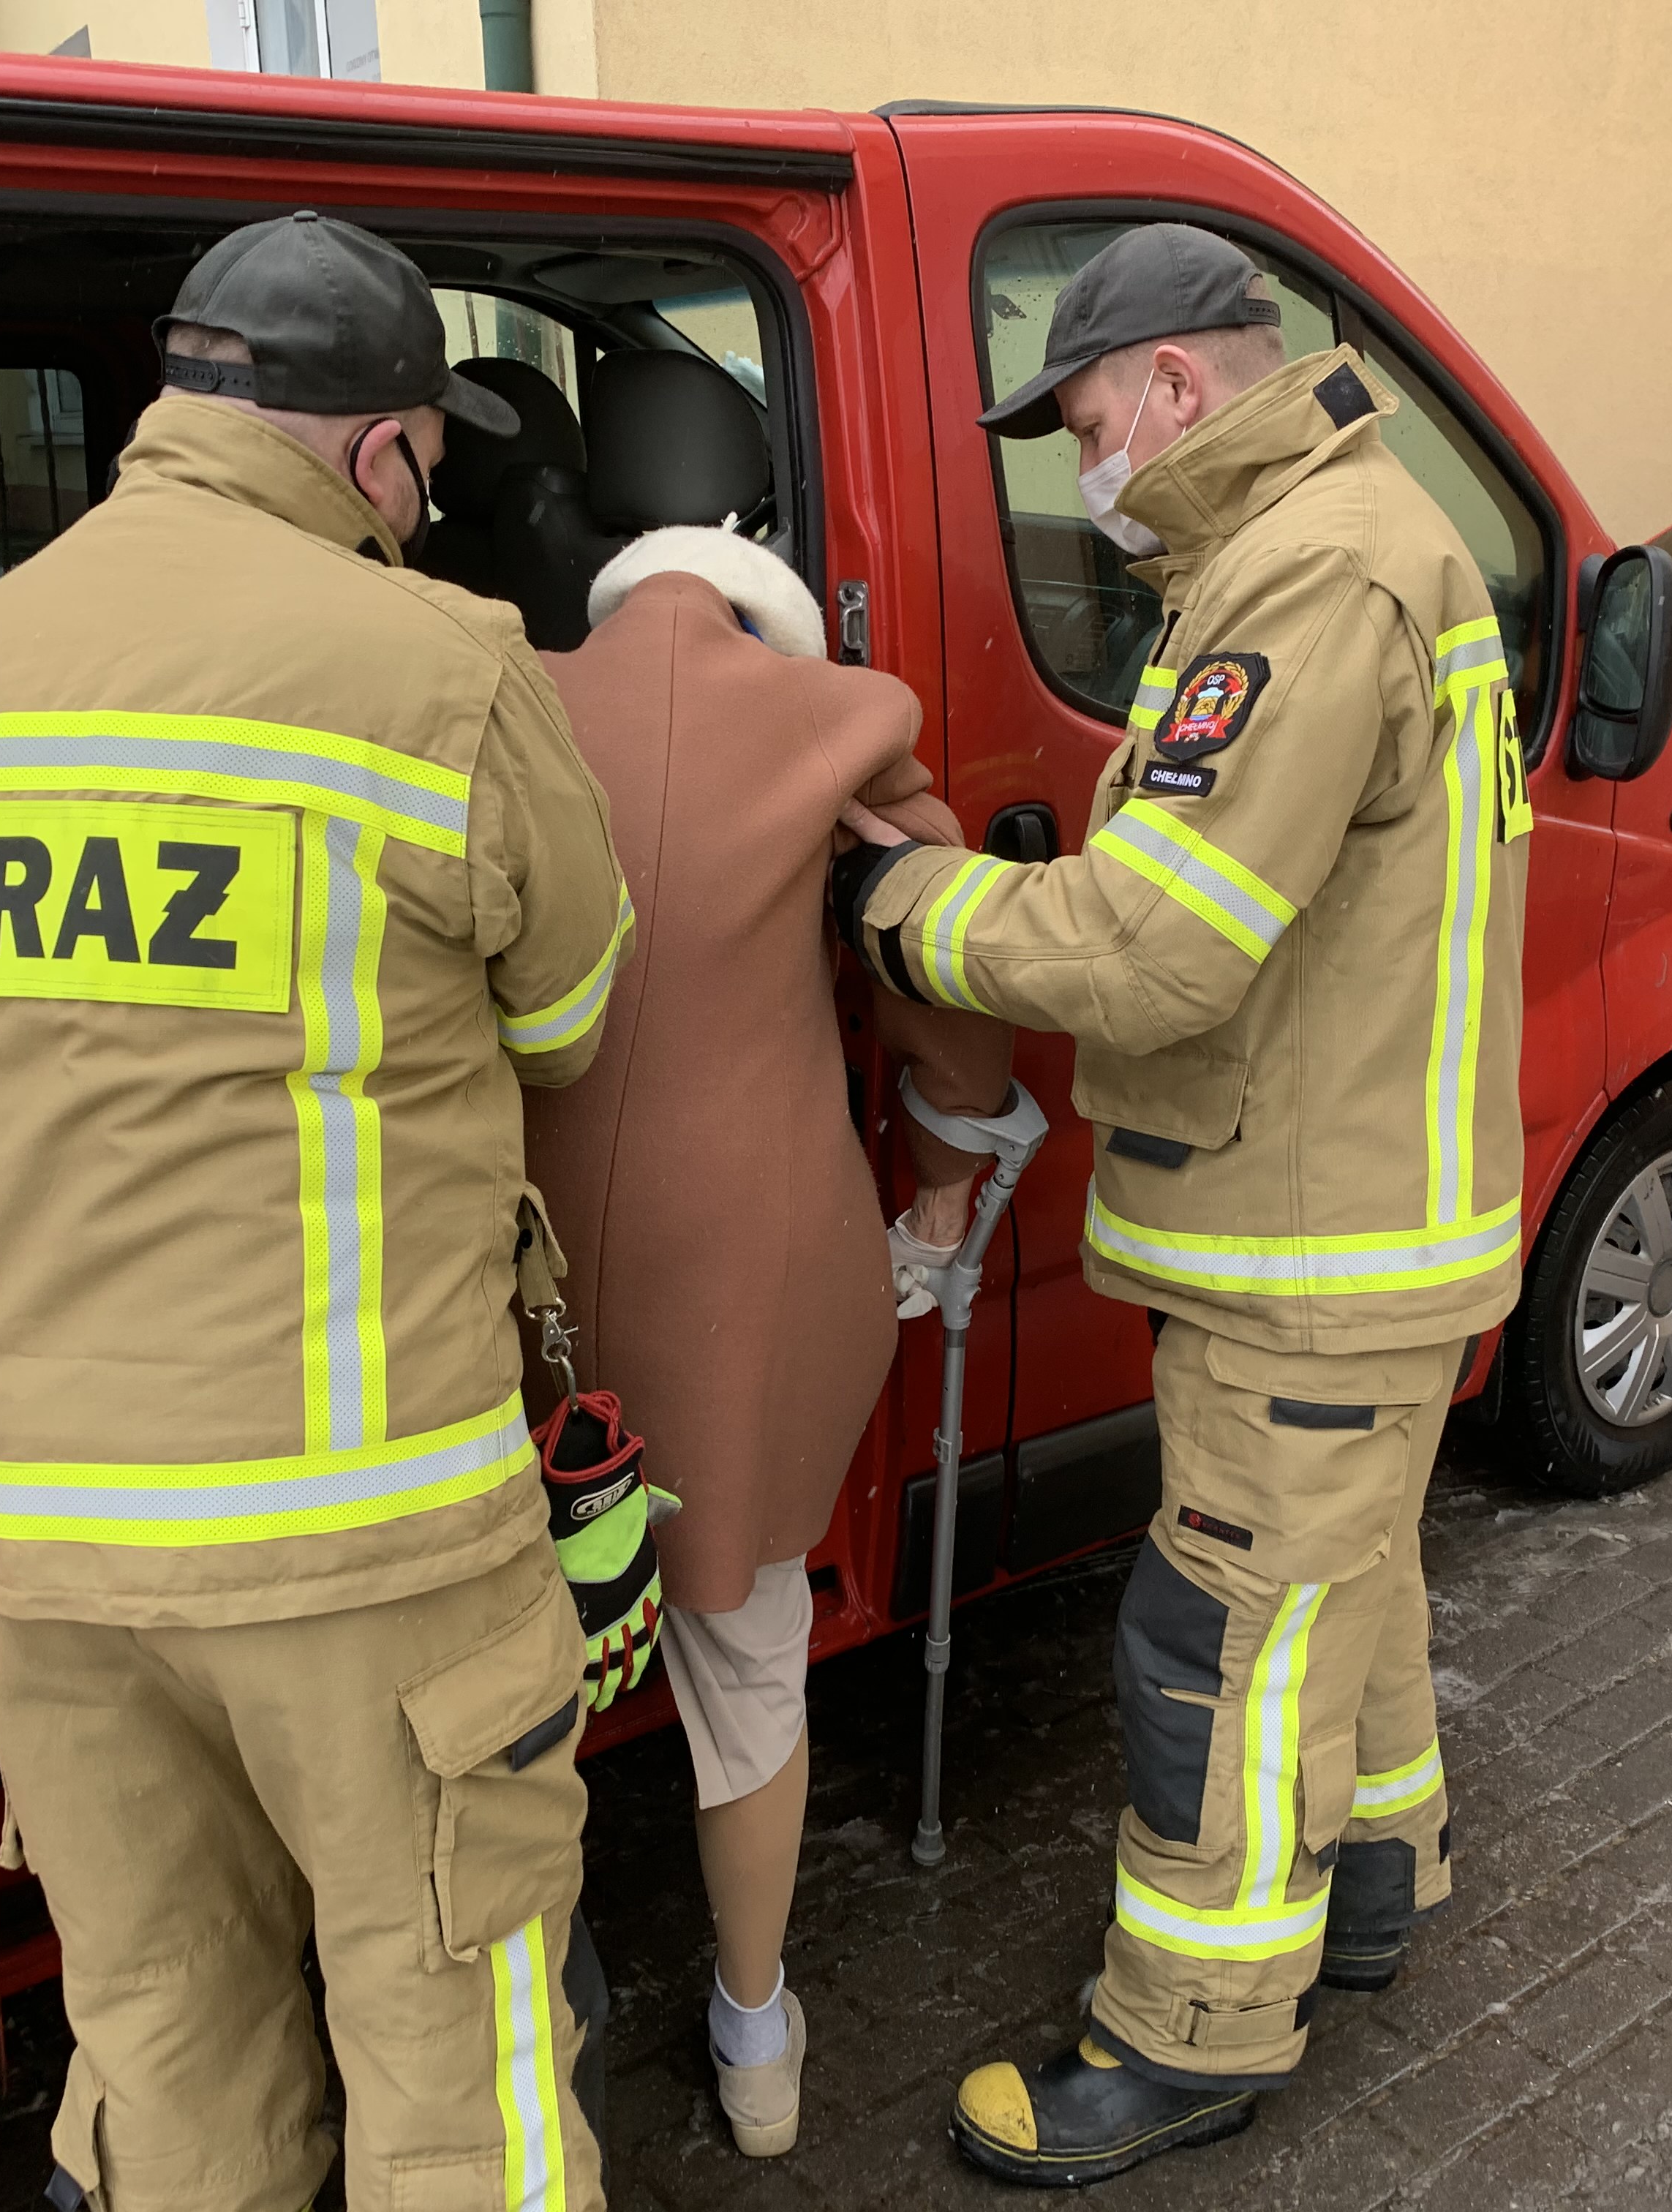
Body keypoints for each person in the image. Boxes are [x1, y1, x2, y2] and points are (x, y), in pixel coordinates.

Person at [0, 211, 641, 2212]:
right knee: (451, 2047)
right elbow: (567, 1016)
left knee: (166, 2041)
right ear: (381, 452)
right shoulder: (439, 667)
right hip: (358, 1522)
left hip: (39, 1537)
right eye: (424, 469)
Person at [829, 222, 1534, 2185]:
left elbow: (1157, 946)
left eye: (1083, 426)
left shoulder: (1307, 575)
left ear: (1175, 384)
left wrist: (900, 908)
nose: (1086, 469)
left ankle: (1187, 2036)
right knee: (1341, 1593)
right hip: (1364, 1226)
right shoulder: (1340, 540)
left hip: (1312, 1251)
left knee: (1214, 1646)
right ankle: (1371, 1886)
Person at [507, 350, 1014, 2159]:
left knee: (511, 1671)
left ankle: (530, 2018)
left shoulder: (488, 697)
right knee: (748, 1661)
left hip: (510, 1287)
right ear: (752, 534)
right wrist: (940, 1191)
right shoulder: (847, 720)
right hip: (756, 1288)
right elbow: (944, 995)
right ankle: (755, 2038)